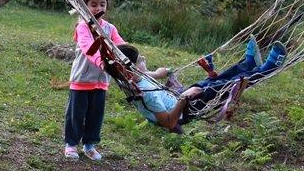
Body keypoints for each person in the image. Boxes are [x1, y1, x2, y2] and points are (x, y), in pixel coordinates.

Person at [115, 40, 286, 132]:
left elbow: (158, 73)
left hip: (180, 96)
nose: (144, 59)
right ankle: (267, 69)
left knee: (216, 80)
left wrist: (165, 71)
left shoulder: (134, 77)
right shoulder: (148, 95)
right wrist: (184, 98)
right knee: (227, 85)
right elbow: (169, 123)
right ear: (132, 69)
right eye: (140, 60)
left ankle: (248, 64)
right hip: (188, 107)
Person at [63, 0, 124, 161]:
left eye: (102, 4)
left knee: (95, 116)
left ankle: (89, 145)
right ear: (85, 6)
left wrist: (131, 57)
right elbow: (88, 48)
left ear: (107, 6)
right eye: (93, 4)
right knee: (76, 115)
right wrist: (102, 62)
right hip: (81, 80)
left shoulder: (110, 29)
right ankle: (71, 144)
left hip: (101, 82)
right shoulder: (82, 27)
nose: (98, 8)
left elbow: (121, 46)